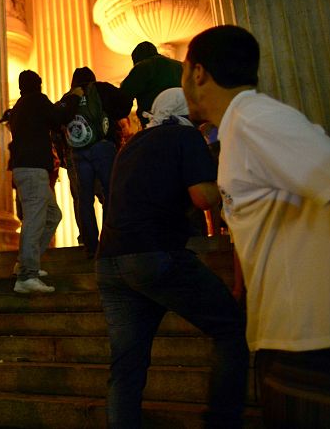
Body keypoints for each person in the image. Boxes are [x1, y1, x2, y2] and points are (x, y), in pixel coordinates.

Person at [181, 24, 330, 427]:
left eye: (183, 71)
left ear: (198, 73)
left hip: (315, 342)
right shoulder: (238, 129)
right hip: (287, 339)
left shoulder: (256, 118)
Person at [95, 88, 248, 428]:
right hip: (155, 252)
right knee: (231, 329)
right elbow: (204, 197)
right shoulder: (185, 136)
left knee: (127, 363)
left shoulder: (130, 144)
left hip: (109, 261)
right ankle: (223, 420)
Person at [8, 70, 81, 294]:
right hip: (33, 170)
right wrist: (74, 97)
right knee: (34, 220)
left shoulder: (19, 106)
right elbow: (60, 116)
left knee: (52, 216)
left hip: (26, 170)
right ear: (39, 85)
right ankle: (26, 275)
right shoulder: (36, 100)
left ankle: (28, 263)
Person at [64, 67, 132, 258]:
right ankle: (112, 241)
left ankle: (91, 246)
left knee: (84, 199)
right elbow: (125, 104)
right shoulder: (102, 89)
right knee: (110, 193)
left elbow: (59, 121)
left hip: (78, 152)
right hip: (103, 147)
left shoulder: (69, 96)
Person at [120, 41, 183, 127]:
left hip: (156, 125)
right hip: (185, 123)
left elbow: (123, 97)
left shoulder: (142, 67)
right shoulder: (181, 66)